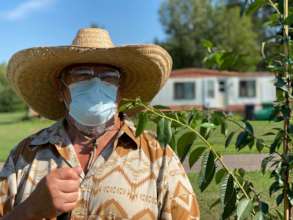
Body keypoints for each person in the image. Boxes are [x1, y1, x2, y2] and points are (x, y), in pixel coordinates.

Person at [0, 28, 200, 220]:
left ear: (119, 92)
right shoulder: (25, 154)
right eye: (82, 74)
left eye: (108, 77)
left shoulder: (159, 156)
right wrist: (29, 211)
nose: (96, 84)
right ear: (61, 90)